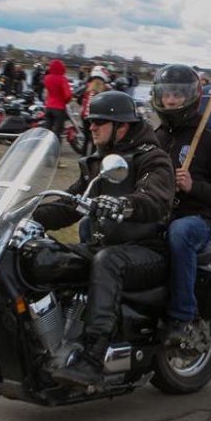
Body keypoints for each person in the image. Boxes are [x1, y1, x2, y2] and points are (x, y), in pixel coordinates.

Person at [33, 90, 175, 388]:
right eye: (89, 121)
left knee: (107, 261)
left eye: (99, 121)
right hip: (105, 246)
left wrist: (127, 204)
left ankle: (93, 359)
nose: (91, 127)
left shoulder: (152, 158)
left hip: (147, 251)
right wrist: (26, 213)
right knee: (43, 255)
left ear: (121, 126)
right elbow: (71, 204)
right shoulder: (99, 162)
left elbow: (156, 197)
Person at [151, 64, 211, 345]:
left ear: (191, 97)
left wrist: (193, 186)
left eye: (178, 94)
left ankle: (181, 317)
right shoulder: (156, 137)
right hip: (159, 215)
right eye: (167, 94)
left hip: (198, 221)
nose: (171, 100)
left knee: (180, 232)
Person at [80, 65, 110, 156]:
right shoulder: (105, 89)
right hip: (96, 116)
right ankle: (93, 158)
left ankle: (83, 157)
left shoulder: (87, 87)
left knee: (86, 139)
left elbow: (79, 98)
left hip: (85, 116)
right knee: (95, 140)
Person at [42, 58, 72, 141]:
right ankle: (56, 148)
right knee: (57, 132)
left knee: (47, 130)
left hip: (48, 106)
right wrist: (65, 101)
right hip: (59, 107)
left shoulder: (47, 78)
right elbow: (68, 95)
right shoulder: (62, 79)